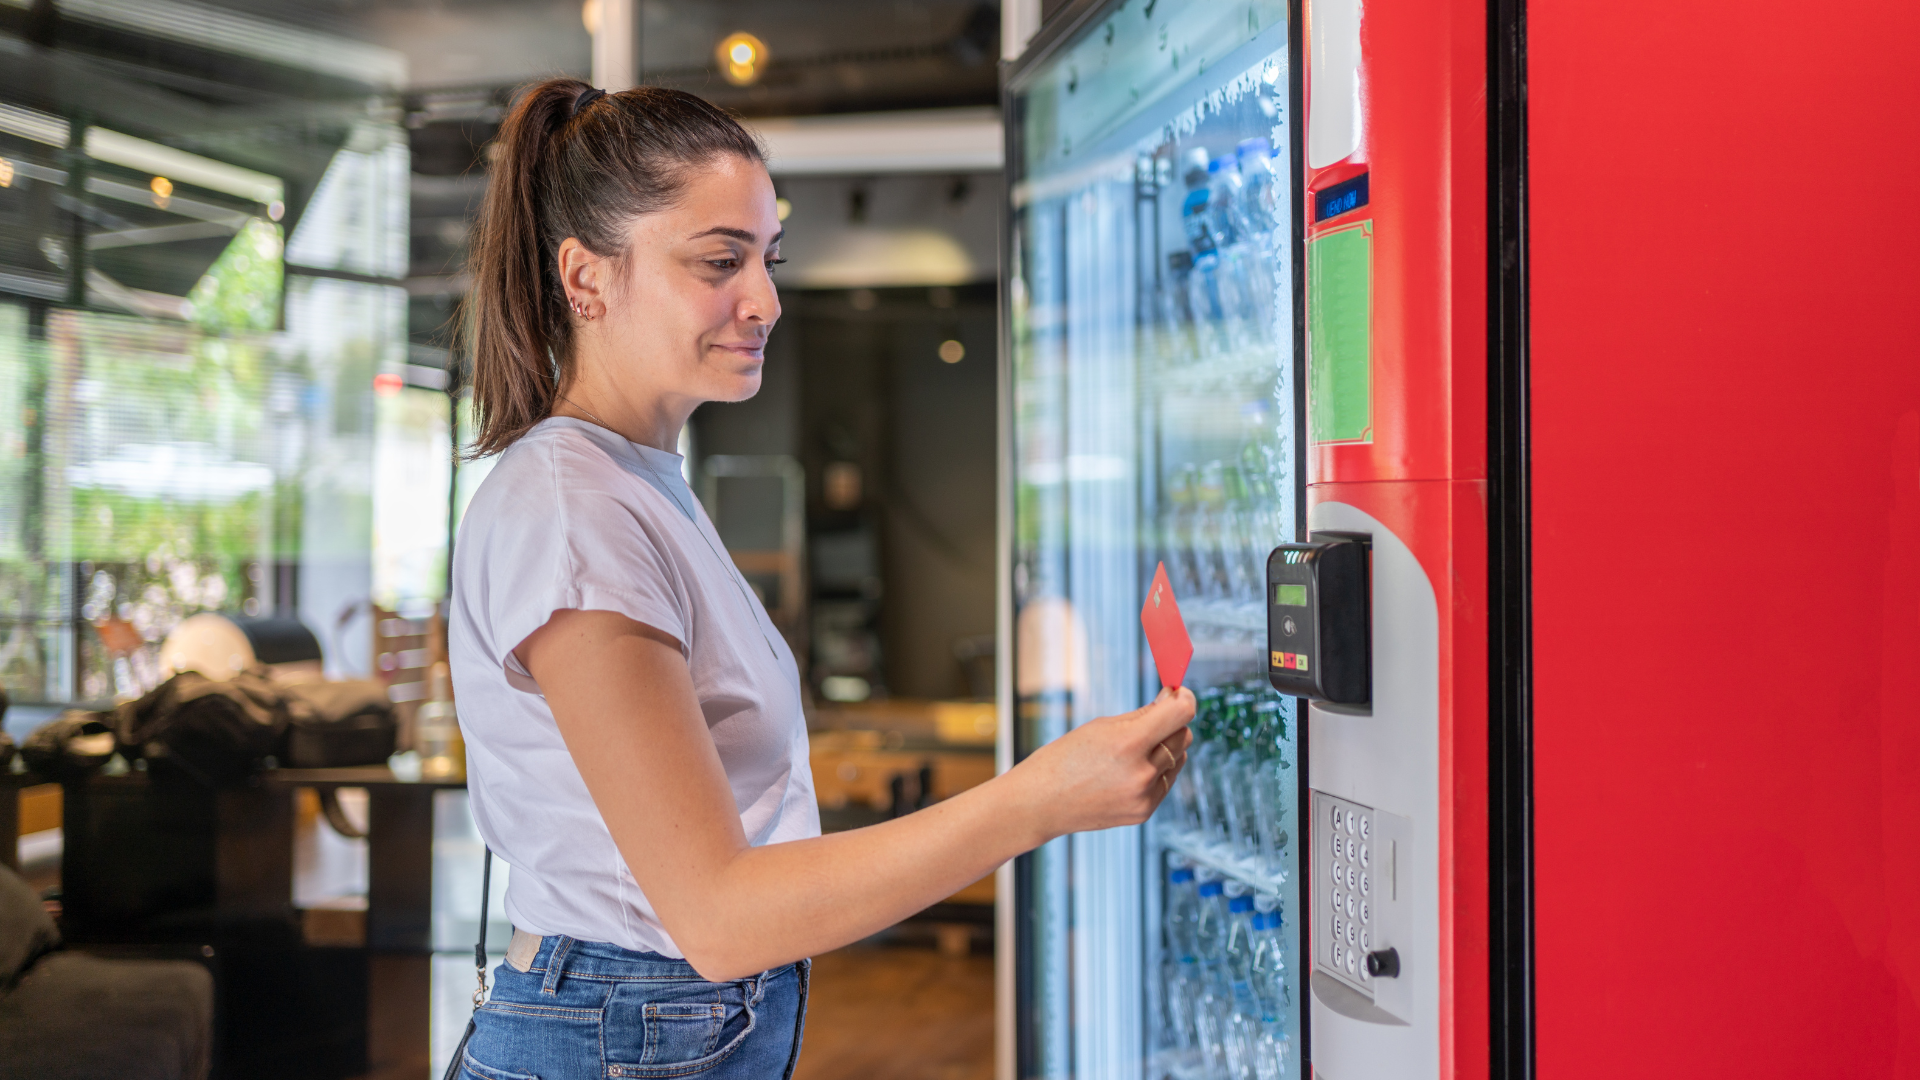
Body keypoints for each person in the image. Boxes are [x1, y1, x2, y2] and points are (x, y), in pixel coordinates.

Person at [448, 78, 1195, 1080]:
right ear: (586, 278)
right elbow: (716, 915)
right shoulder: (575, 510)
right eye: (721, 261)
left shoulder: (634, 481)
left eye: (768, 258)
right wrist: (1036, 801)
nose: (765, 299)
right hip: (619, 1035)